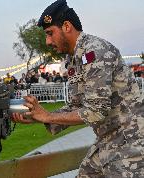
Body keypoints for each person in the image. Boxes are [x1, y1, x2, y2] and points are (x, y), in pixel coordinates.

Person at [11, 0, 144, 177]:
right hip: (109, 139)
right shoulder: (74, 59)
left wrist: (48, 115)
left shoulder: (95, 51)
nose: (47, 41)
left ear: (67, 26)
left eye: (50, 33)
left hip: (131, 141)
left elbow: (96, 111)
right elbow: (76, 106)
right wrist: (37, 116)